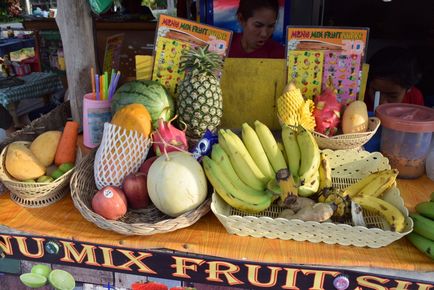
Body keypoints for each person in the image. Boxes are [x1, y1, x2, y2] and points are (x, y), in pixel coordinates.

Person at [365, 46, 424, 111]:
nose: (382, 103)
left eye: (393, 96)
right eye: (375, 93)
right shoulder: (360, 97)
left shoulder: (414, 98)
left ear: (409, 89)